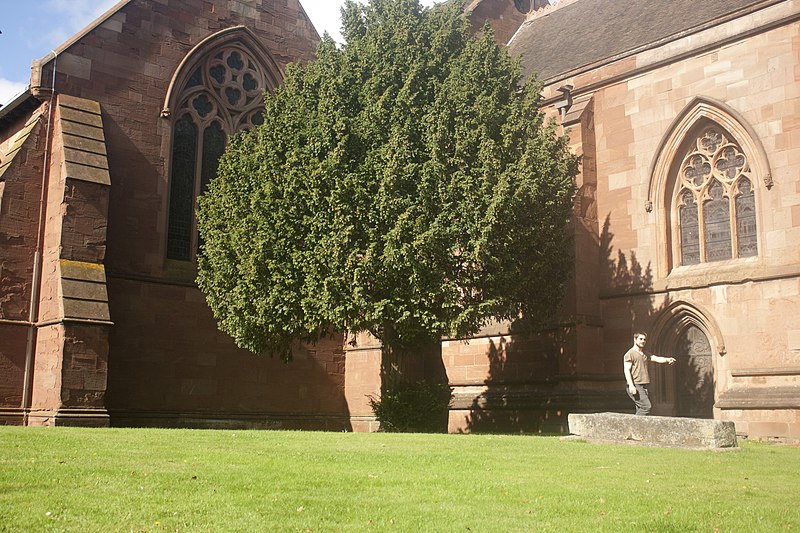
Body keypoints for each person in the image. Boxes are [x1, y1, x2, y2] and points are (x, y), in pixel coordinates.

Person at [623, 331, 676, 415]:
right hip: (636, 385)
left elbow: (656, 358)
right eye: (640, 339)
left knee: (641, 408)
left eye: (644, 339)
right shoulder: (630, 354)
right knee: (646, 407)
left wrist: (667, 359)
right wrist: (631, 386)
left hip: (644, 385)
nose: (643, 341)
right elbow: (626, 370)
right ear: (635, 339)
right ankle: (634, 425)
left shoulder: (644, 353)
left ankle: (637, 427)